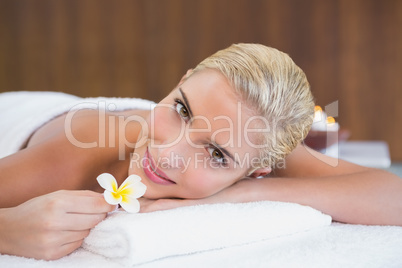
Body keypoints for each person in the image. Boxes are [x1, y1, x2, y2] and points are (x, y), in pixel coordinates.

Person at [0, 43, 401, 260]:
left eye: (216, 155)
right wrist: (9, 230)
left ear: (260, 170)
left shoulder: (252, 137)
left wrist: (241, 194)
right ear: (182, 81)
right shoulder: (84, 148)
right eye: (181, 109)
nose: (170, 153)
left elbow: (393, 197)